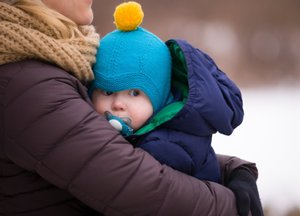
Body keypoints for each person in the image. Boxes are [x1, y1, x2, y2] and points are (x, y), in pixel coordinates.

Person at [0, 0, 263, 215]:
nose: (116, 102)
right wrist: (235, 206)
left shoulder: (57, 62)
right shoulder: (28, 85)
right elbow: (140, 186)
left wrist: (229, 171)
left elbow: (117, 152)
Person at [90, 1, 243, 184]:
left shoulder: (163, 149)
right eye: (107, 91)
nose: (117, 104)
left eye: (134, 93)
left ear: (160, 99)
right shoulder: (141, 134)